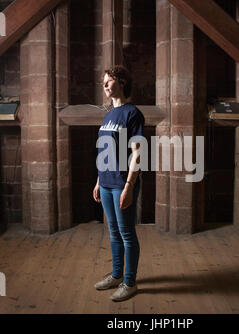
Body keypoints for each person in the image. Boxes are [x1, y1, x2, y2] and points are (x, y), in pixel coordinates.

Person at [93, 65, 145, 302]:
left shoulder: (132, 113)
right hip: (105, 183)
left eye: (109, 81)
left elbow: (137, 153)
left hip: (122, 183)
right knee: (113, 231)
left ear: (122, 82)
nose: (104, 85)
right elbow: (106, 151)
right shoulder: (107, 115)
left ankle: (130, 282)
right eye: (103, 82)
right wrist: (98, 181)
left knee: (126, 233)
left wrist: (129, 187)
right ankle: (116, 275)